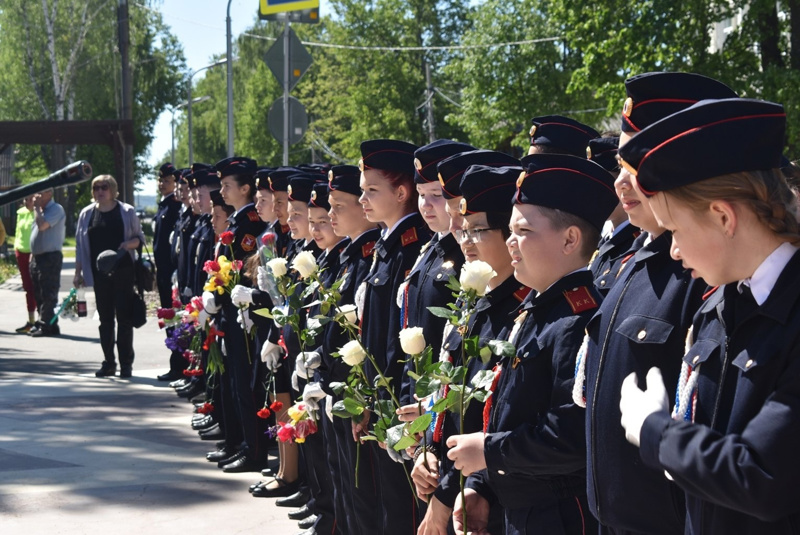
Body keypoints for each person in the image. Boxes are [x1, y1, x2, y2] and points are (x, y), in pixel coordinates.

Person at [617, 97, 800, 534]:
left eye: (676, 230)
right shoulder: (722, 305)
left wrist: (655, 432)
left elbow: (761, 475)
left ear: (722, 215)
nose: (674, 250)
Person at [576, 72, 738, 535]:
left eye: (637, 166)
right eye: (621, 166)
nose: (622, 184)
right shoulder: (636, 255)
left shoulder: (706, 272)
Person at [446, 154, 617, 535]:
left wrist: (489, 452)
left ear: (571, 239)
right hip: (520, 507)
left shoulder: (579, 319)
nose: (510, 243)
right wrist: (480, 485)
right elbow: (508, 410)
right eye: (509, 230)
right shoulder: (537, 308)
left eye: (523, 231)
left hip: (560, 516)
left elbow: (571, 435)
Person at [412, 163, 528, 535]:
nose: (466, 242)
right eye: (462, 230)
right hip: (452, 477)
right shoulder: (475, 300)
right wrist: (423, 452)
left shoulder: (517, 311)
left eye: (478, 230)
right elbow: (449, 392)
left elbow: (488, 415)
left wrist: (446, 498)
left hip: (486, 493)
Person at [355, 138, 431, 534]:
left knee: (405, 512)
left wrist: (395, 405)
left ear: (401, 193)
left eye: (371, 190)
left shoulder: (409, 247)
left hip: (401, 404)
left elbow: (403, 339)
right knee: (388, 504)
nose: (361, 198)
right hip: (383, 400)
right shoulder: (386, 244)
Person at [74, 175, 145, 377]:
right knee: (105, 321)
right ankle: (109, 363)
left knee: (124, 319)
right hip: (99, 275)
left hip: (123, 271)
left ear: (113, 189)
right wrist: (78, 273)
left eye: (104, 187)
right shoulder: (87, 214)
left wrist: (127, 245)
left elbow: (139, 239)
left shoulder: (126, 211)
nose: (100, 191)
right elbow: (80, 247)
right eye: (96, 188)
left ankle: (126, 364)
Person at [154, 163, 184, 382]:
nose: (162, 184)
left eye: (167, 181)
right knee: (170, 321)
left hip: (172, 273)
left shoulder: (174, 206)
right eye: (161, 180)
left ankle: (179, 367)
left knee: (175, 322)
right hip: (164, 273)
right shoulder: (164, 205)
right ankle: (176, 365)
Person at [29, 188, 66, 337]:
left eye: (41, 192)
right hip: (38, 257)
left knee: (48, 293)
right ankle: (48, 324)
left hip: (50, 257)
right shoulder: (40, 211)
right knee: (38, 292)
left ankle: (46, 326)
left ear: (49, 194)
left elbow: (42, 226)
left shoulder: (55, 209)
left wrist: (36, 207)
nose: (36, 195)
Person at [14, 195, 38, 333]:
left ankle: (40, 320)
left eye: (29, 198)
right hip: (21, 252)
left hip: (32, 253)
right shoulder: (20, 213)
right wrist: (16, 248)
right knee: (27, 287)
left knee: (36, 287)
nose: (26, 201)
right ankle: (31, 320)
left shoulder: (38, 213)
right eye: (24, 198)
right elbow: (18, 232)